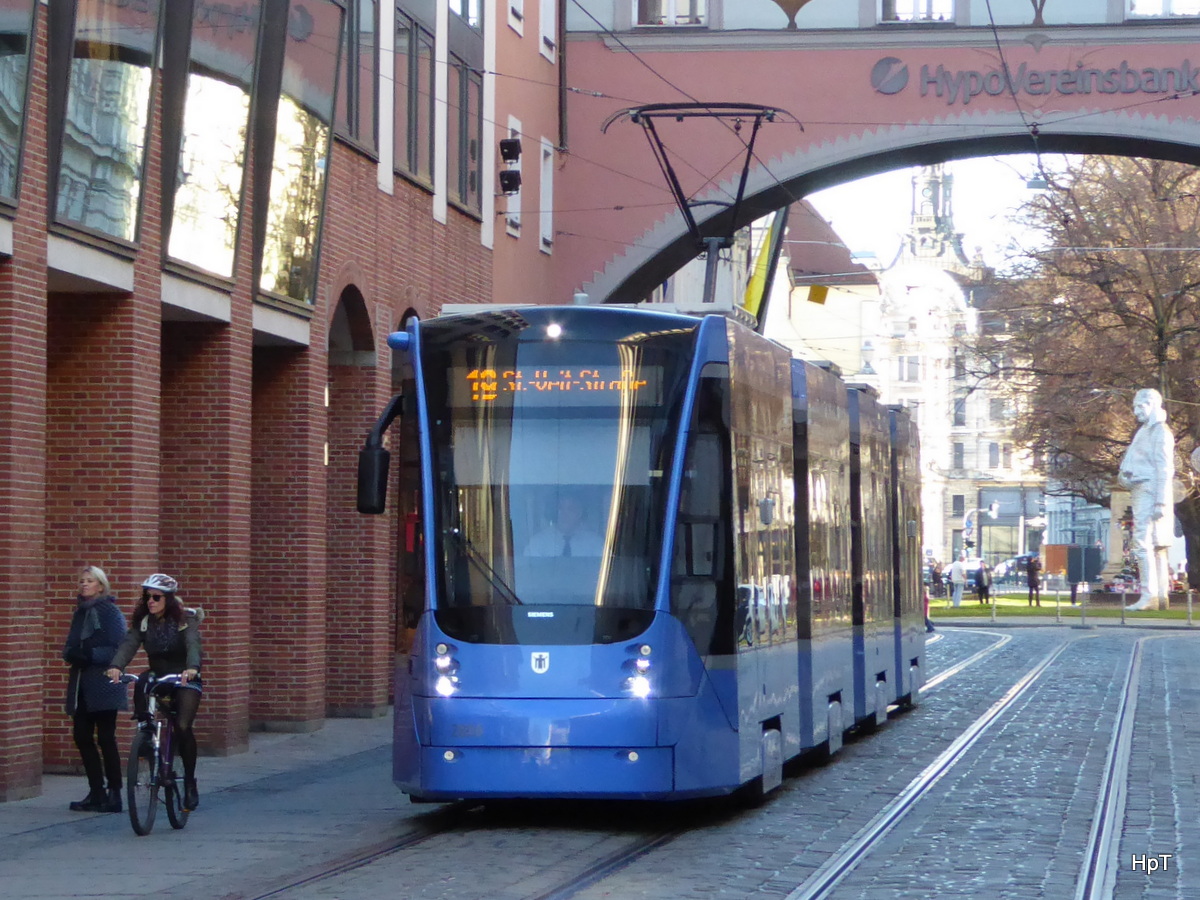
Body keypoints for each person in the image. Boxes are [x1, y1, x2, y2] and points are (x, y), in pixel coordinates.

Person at [106, 574, 203, 812]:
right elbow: (129, 644)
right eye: (147, 597)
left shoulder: (184, 620)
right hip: (159, 673)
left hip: (183, 675)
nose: (151, 601)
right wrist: (116, 666)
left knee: (182, 726)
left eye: (156, 597)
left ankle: (190, 782)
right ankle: (146, 732)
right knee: (141, 680)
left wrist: (192, 668)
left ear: (168, 599)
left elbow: (192, 644)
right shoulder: (144, 621)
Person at [62, 566, 128, 813]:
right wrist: (70, 653)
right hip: (81, 682)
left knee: (106, 738)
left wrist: (91, 654)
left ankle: (114, 793)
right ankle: (96, 791)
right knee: (81, 735)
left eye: (90, 581)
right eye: (82, 581)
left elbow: (119, 648)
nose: (84, 585)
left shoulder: (109, 611)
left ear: (101, 586)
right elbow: (71, 642)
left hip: (104, 683)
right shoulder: (80, 612)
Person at [1118, 388, 1175, 611]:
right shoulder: (1144, 432)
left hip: (1150, 490)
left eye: (1139, 406)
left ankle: (1149, 595)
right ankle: (1158, 595)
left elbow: (1164, 467)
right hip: (1143, 488)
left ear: (1151, 405)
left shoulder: (1160, 432)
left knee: (1144, 543)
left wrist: (1161, 501)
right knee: (1153, 544)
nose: (1135, 412)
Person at [525, 492, 604, 557]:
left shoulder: (595, 543)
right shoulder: (537, 543)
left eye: (570, 509)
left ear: (579, 513)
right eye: (560, 508)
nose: (564, 514)